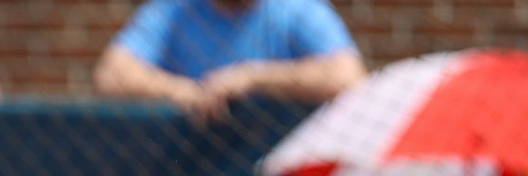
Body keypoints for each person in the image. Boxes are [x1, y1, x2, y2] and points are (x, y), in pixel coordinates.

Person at [93, 0, 365, 125]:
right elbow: (112, 75)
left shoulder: (297, 7)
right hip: (189, 170)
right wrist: (186, 92)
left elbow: (348, 77)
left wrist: (252, 78)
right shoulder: (174, 9)